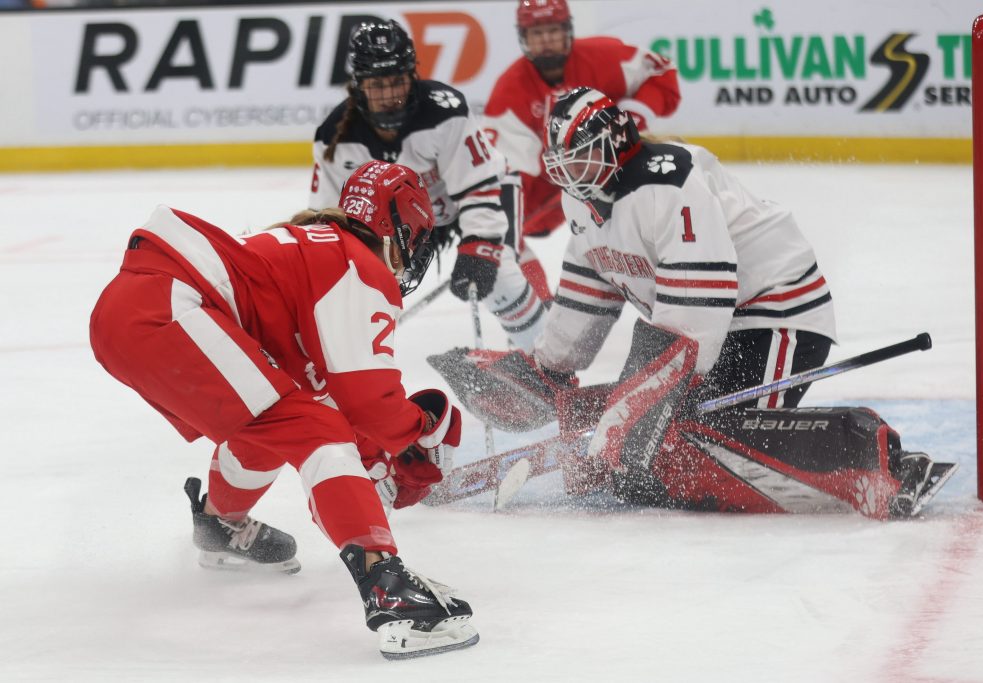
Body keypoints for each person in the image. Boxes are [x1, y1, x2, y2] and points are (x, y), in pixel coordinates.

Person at [430, 87, 958, 518]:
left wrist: (647, 405)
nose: (571, 169)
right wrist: (549, 369)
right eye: (564, 159)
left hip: (776, 315)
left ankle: (875, 458)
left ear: (615, 142)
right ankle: (652, 431)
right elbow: (588, 287)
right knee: (650, 458)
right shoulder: (584, 197)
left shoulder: (667, 180)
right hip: (705, 330)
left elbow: (698, 301)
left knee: (697, 441)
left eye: (582, 153)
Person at [89, 160, 479, 659]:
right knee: (318, 433)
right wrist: (421, 428)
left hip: (130, 312)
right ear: (395, 226)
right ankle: (391, 593)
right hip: (166, 307)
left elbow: (332, 399)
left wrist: (377, 452)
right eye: (414, 241)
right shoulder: (358, 264)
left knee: (275, 424)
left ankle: (220, 525)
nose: (409, 260)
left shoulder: (316, 248)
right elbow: (369, 405)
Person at [309, 19, 547, 351]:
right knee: (364, 284)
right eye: (378, 85)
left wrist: (480, 243)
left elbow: (478, 186)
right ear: (359, 85)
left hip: (486, 192)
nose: (390, 95)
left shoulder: (443, 111)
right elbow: (331, 222)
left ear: (412, 76)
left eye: (398, 82)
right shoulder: (333, 137)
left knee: (500, 275)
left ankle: (551, 365)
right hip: (415, 222)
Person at [483, 0, 682, 298]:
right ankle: (537, 310)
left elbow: (661, 74)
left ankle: (679, 273)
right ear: (524, 38)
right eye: (537, 33)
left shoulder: (602, 57)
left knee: (657, 206)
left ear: (568, 30)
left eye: (553, 30)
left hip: (617, 162)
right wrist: (503, 231)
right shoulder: (510, 91)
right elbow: (512, 177)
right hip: (553, 178)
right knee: (499, 225)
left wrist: (634, 115)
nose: (546, 40)